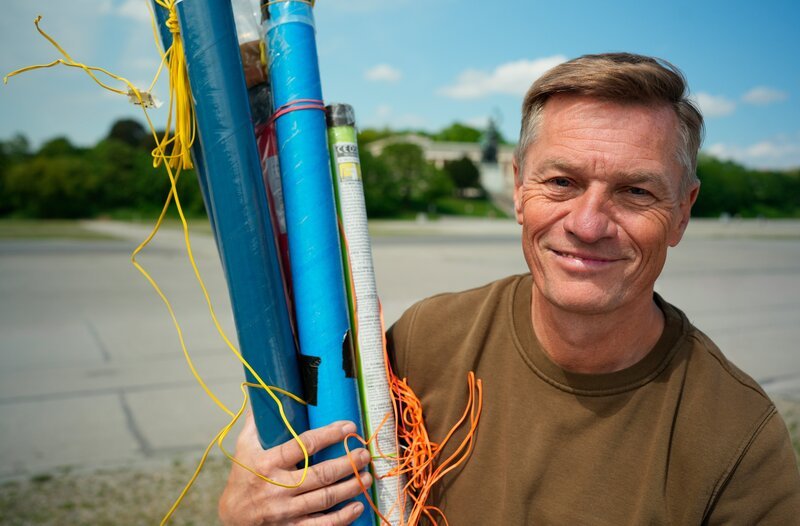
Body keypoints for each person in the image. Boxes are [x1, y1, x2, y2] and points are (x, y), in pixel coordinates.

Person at [219, 53, 800, 524]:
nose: (588, 224)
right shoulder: (424, 342)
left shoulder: (737, 442)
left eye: (636, 193)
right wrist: (248, 511)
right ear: (519, 188)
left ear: (682, 212)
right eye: (562, 181)